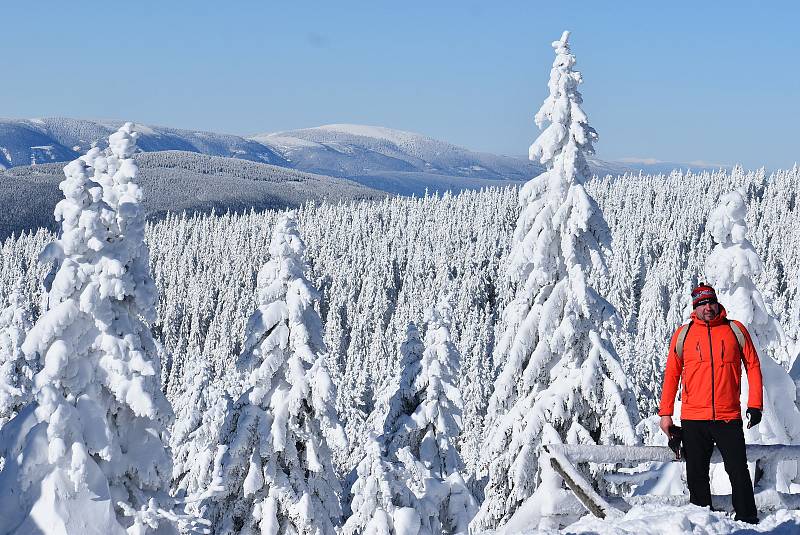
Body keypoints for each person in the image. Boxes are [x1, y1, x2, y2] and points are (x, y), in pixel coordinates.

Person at [658, 283, 763, 524]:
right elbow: (672, 375)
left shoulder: (735, 330)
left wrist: (755, 404)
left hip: (728, 416)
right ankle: (702, 522)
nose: (708, 307)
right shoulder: (684, 334)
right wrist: (666, 414)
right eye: (702, 304)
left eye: (710, 302)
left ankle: (748, 519)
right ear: (695, 307)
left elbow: (753, 366)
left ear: (717, 303)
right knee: (696, 475)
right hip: (693, 418)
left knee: (738, 471)